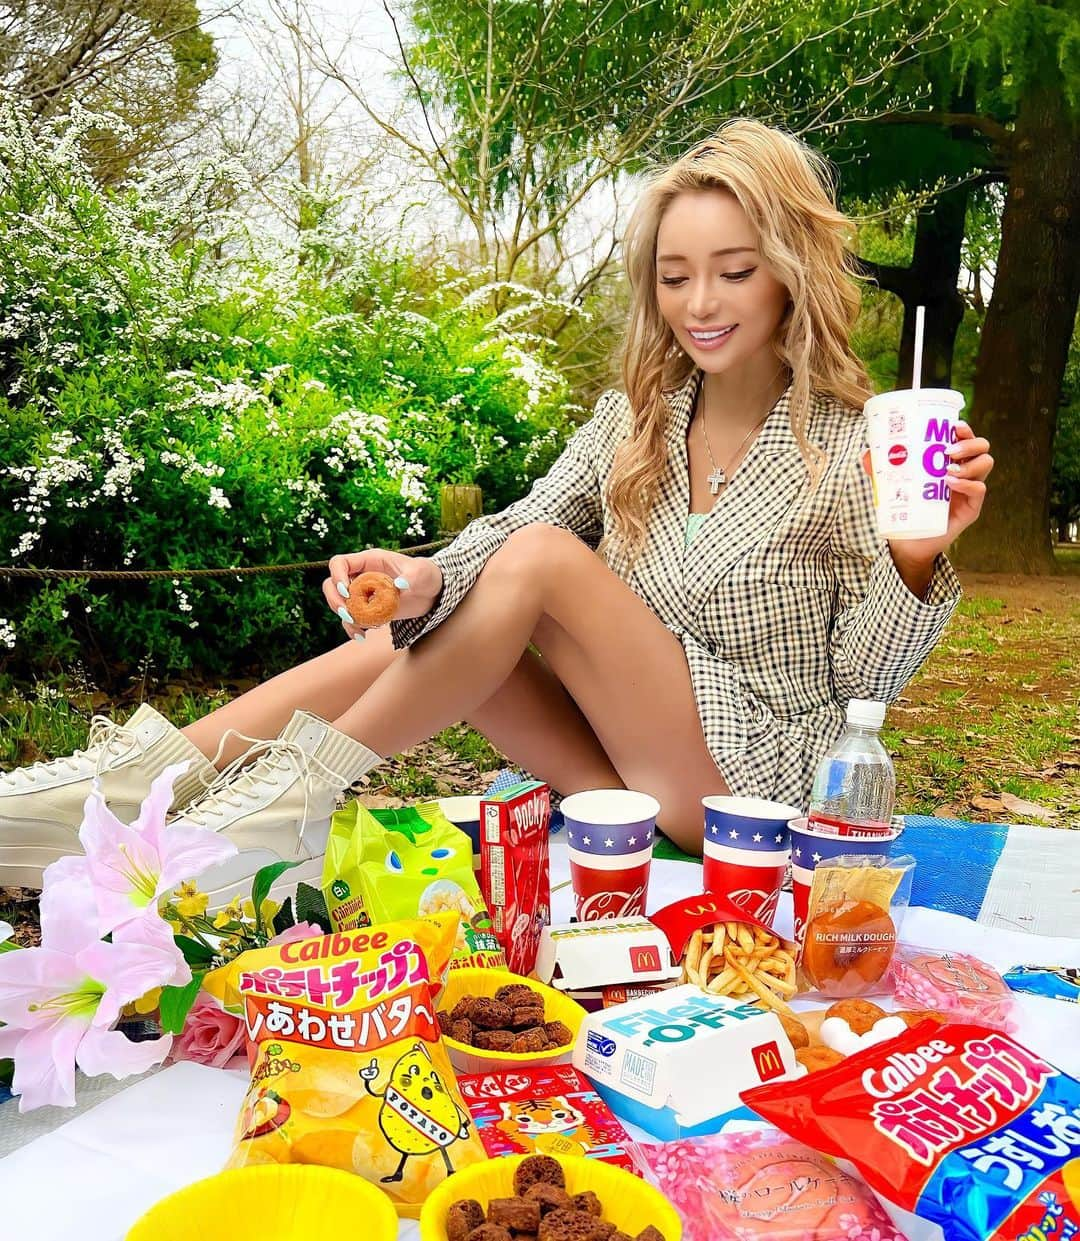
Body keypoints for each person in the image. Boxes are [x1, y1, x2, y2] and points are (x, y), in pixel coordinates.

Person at [0, 119, 992, 903]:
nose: (702, 302)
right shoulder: (634, 422)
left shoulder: (866, 442)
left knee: (544, 566)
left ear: (789, 271)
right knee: (442, 627)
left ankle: (284, 803)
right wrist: (427, 575)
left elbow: (866, 686)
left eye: (734, 270)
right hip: (612, 760)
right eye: (675, 274)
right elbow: (519, 522)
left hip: (753, 784)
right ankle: (139, 784)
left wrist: (913, 558)